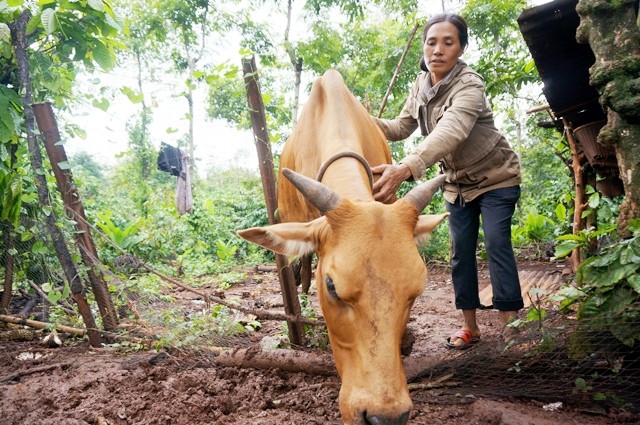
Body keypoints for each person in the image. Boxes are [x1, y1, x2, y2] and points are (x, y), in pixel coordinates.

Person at [371, 12, 524, 349]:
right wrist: (364, 120)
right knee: (460, 254)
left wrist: (407, 167)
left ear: (462, 48)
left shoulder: (470, 84)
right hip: (456, 184)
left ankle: (511, 327)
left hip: (496, 177)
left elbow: (451, 130)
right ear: (424, 48)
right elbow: (401, 127)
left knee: (497, 245)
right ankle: (470, 327)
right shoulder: (421, 85)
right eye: (431, 42)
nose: (437, 50)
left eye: (448, 42)